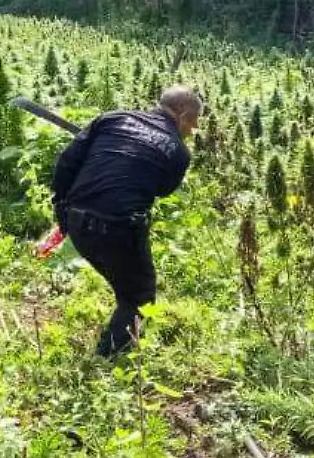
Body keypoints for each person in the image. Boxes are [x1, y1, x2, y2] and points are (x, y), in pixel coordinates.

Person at [51, 86, 201, 358]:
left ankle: (117, 330)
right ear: (182, 115)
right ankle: (107, 362)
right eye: (194, 122)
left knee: (126, 285)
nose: (194, 130)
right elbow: (162, 189)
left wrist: (60, 209)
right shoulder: (179, 152)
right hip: (119, 228)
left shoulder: (112, 118)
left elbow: (68, 161)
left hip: (77, 220)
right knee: (139, 297)